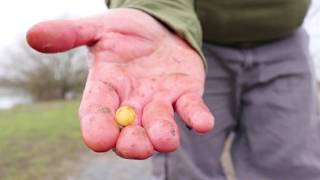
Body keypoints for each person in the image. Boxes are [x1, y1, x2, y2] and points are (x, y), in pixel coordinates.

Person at [27, 0, 320, 179]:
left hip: (285, 37)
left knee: (291, 168)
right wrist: (155, 11)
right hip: (185, 42)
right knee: (186, 171)